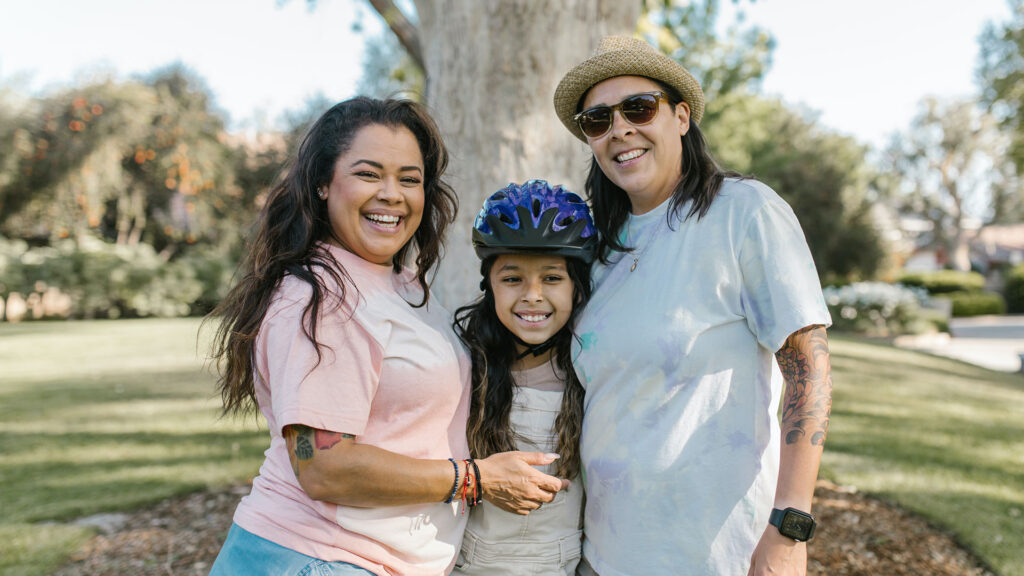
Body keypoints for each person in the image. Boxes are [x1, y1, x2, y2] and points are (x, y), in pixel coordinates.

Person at [207, 97, 568, 576]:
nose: (392, 194)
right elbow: (322, 467)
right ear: (322, 183)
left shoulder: (397, 282)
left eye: (409, 179)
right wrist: (475, 479)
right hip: (316, 558)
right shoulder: (321, 298)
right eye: (369, 174)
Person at [551, 36, 834, 575]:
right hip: (603, 555)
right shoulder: (596, 246)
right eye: (598, 120)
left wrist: (790, 528)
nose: (620, 129)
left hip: (716, 556)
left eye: (639, 108)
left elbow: (809, 368)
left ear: (681, 117)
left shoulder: (744, 212)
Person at [450, 180, 598, 576]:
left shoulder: (593, 370)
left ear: (577, 287)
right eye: (513, 279)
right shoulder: (464, 366)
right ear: (489, 285)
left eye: (552, 278)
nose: (532, 295)